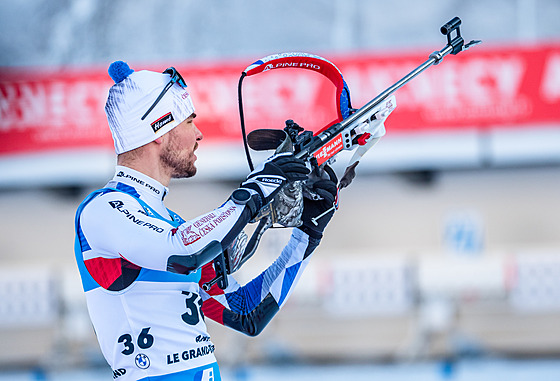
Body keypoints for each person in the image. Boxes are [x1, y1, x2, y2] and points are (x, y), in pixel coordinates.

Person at [73, 61, 337, 381]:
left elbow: (245, 312)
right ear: (159, 129)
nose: (198, 134)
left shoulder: (169, 222)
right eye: (189, 121)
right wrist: (259, 186)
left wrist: (307, 234)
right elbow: (182, 251)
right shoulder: (103, 209)